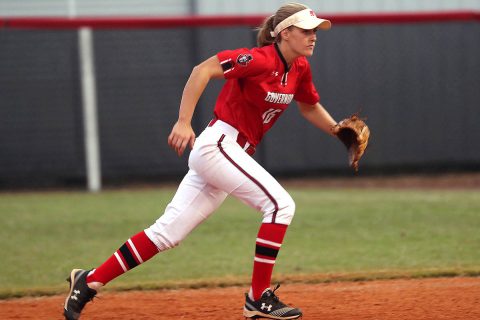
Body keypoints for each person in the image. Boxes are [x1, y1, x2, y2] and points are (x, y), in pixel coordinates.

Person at [63, 3, 339, 319]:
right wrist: (183, 121)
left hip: (229, 154)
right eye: (306, 30)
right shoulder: (259, 59)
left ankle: (89, 281)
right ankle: (258, 298)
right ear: (285, 32)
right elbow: (202, 70)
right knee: (280, 206)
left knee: (167, 233)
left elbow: (308, 106)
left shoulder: (299, 68)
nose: (313, 36)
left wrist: (339, 132)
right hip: (219, 145)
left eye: (315, 30)